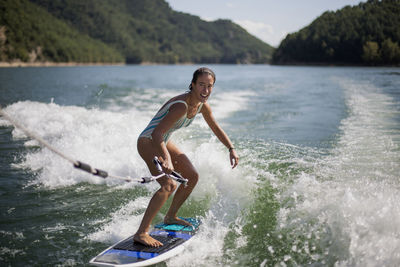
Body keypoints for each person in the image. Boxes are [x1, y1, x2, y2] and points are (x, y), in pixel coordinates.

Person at [134, 67, 239, 247]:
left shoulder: (201, 106)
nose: (205, 90)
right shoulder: (181, 106)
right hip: (148, 141)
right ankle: (142, 233)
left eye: (209, 86)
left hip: (162, 141)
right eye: (201, 85)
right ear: (192, 85)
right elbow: (157, 133)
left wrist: (231, 148)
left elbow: (215, 127)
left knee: (192, 176)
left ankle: (170, 216)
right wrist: (166, 158)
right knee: (169, 185)